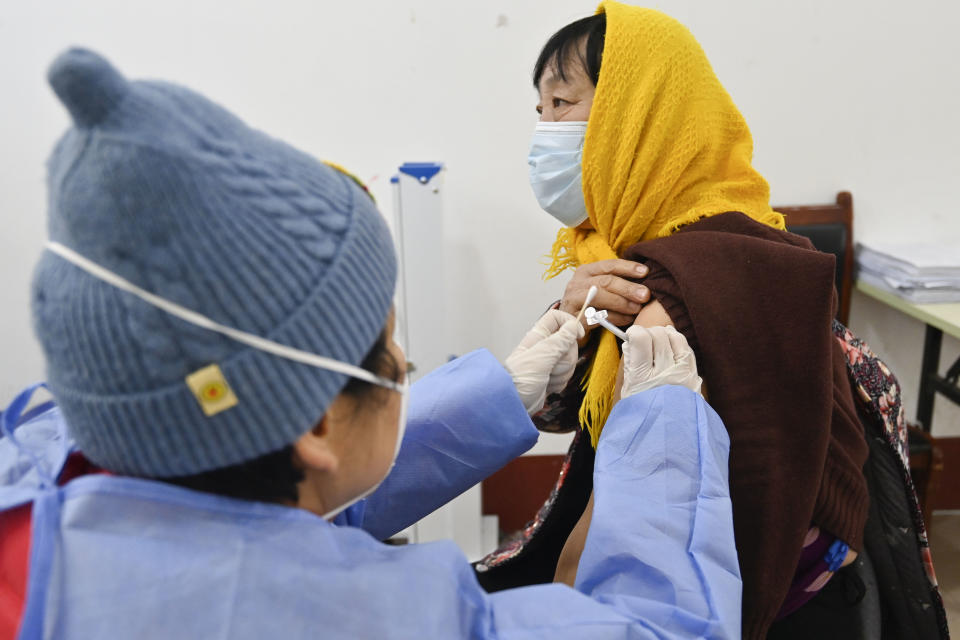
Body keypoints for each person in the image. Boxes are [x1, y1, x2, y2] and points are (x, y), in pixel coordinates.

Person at [0, 48, 741, 639]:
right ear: (317, 421)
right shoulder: (343, 613)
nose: (404, 369)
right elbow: (660, 628)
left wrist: (498, 393)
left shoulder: (56, 463)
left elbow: (262, 507)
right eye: (393, 357)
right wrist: (665, 429)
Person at [478, 4, 876, 639]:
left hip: (778, 598)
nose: (544, 129)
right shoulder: (649, 246)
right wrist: (567, 325)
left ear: (639, 112)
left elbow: (632, 499)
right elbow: (571, 416)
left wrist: (564, 601)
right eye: (540, 110)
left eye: (562, 104)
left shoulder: (681, 273)